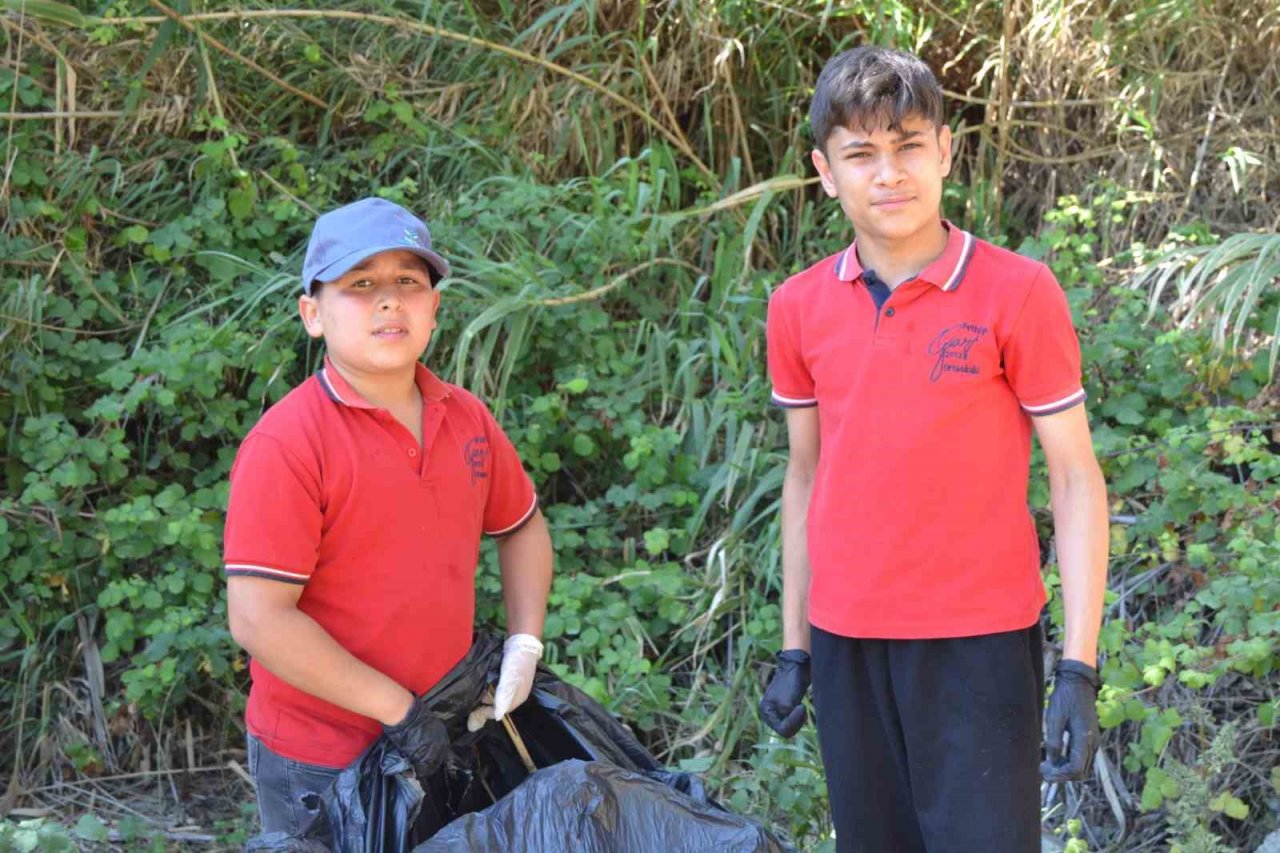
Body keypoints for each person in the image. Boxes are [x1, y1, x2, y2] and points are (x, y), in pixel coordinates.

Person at [757, 46, 1108, 852]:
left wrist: (1079, 667)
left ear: (946, 150)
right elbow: (805, 474)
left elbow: (1075, 476)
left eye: (909, 144)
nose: (889, 173)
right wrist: (794, 645)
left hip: (977, 641)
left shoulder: (1018, 291)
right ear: (824, 170)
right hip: (847, 639)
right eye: (861, 154)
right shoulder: (798, 307)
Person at [223, 197, 553, 836]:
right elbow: (260, 619)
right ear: (313, 315)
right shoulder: (289, 444)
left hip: (449, 731)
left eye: (409, 281)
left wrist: (525, 642)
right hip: (324, 763)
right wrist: (398, 712)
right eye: (361, 285)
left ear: (434, 307)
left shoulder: (466, 418)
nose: (389, 300)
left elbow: (522, 527)